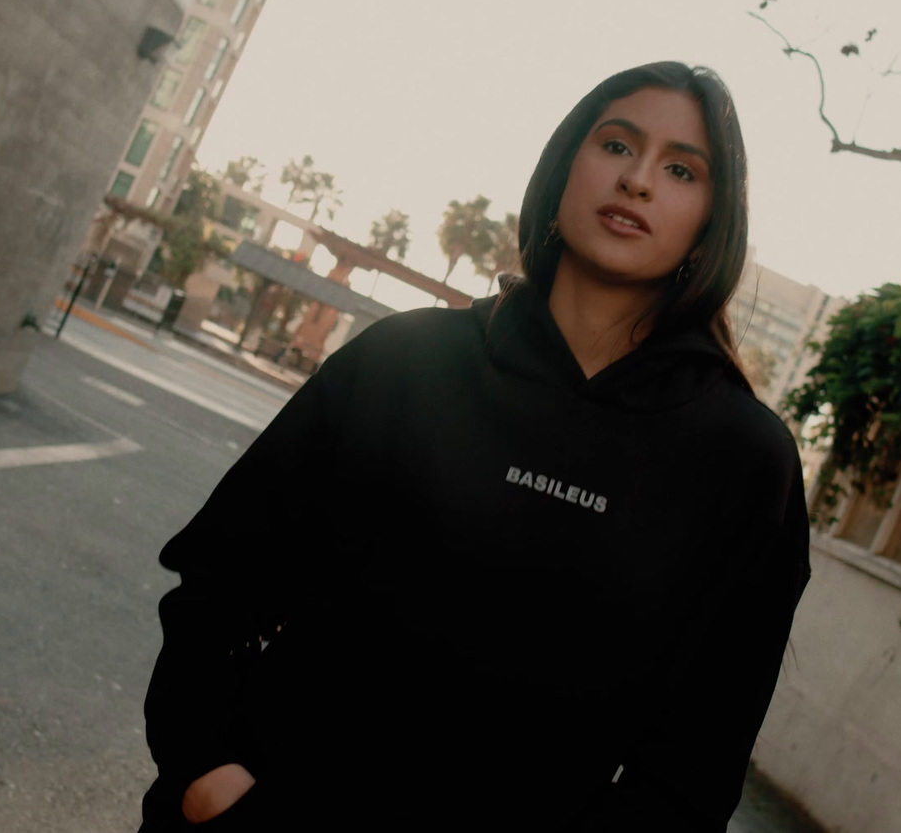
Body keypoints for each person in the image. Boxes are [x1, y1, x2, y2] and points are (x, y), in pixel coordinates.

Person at [139, 61, 812, 832]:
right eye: (618, 146)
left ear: (711, 219)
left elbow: (699, 757)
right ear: (564, 168)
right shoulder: (404, 358)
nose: (639, 181)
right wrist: (204, 770)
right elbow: (219, 580)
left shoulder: (743, 462)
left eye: (682, 168)